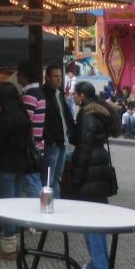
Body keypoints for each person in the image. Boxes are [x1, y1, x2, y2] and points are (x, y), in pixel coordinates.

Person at [70, 82, 117, 269]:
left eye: (75, 94)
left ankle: (99, 264)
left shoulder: (87, 115)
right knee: (98, 218)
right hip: (100, 167)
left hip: (91, 170)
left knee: (90, 219)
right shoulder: (99, 111)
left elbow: (84, 147)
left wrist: (77, 177)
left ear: (81, 95)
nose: (73, 97)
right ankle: (102, 260)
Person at [0, 80, 33, 260]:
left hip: (5, 165)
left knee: (6, 204)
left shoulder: (4, 118)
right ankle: (17, 242)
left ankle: (9, 246)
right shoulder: (22, 114)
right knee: (16, 202)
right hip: (20, 164)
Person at [42, 64, 76, 195]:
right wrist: (50, 139)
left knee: (57, 177)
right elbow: (44, 120)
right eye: (55, 76)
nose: (59, 79)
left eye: (60, 76)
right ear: (47, 78)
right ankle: (48, 202)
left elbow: (66, 116)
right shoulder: (44, 95)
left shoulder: (60, 94)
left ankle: (56, 201)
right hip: (52, 143)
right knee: (48, 179)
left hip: (62, 141)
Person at [15, 60, 46, 199]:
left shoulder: (30, 95)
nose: (17, 76)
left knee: (31, 183)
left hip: (30, 147)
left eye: (18, 73)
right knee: (34, 181)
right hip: (37, 145)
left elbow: (25, 122)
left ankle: (37, 208)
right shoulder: (38, 92)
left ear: (24, 75)